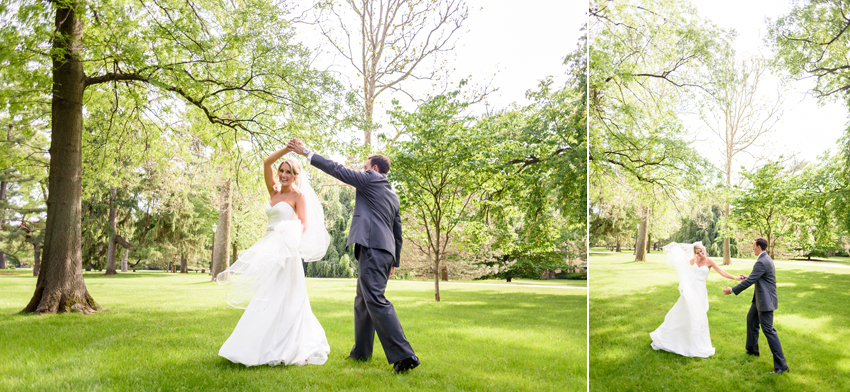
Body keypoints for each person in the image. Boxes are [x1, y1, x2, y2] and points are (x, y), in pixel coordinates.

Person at [287, 138, 419, 374]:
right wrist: (394, 261)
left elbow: (338, 170)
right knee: (363, 301)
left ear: (375, 169)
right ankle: (361, 353)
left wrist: (307, 152)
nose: (362, 171)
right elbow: (397, 231)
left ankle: (405, 355)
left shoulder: (371, 180)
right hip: (384, 251)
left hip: (373, 247)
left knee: (375, 299)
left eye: (365, 167)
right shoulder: (392, 194)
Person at [217, 145, 331, 366]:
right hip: (269, 248)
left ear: (296, 176)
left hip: (287, 250)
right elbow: (267, 162)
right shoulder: (274, 191)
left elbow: (304, 224)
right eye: (282, 171)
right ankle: (258, 343)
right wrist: (286, 150)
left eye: (289, 172)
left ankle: (289, 345)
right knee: (267, 294)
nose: (284, 175)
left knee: (288, 297)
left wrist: (289, 232)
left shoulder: (298, 196)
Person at [650, 242, 743, 357]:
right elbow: (684, 266)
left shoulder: (709, 261)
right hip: (691, 288)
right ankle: (673, 336)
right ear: (695, 252)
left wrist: (735, 278)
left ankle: (696, 341)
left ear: (704, 249)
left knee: (698, 313)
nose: (701, 253)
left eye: (702, 251)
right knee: (682, 310)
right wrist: (679, 255)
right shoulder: (694, 260)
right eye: (698, 252)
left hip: (700, 290)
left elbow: (721, 272)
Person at [723, 238, 789, 374]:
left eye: (753, 246)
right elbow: (757, 277)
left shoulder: (762, 261)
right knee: (751, 319)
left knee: (769, 331)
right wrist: (748, 277)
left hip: (766, 301)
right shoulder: (766, 258)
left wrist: (732, 290)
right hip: (760, 299)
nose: (752, 248)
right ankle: (752, 350)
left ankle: (781, 366)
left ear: (759, 246)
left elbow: (752, 280)